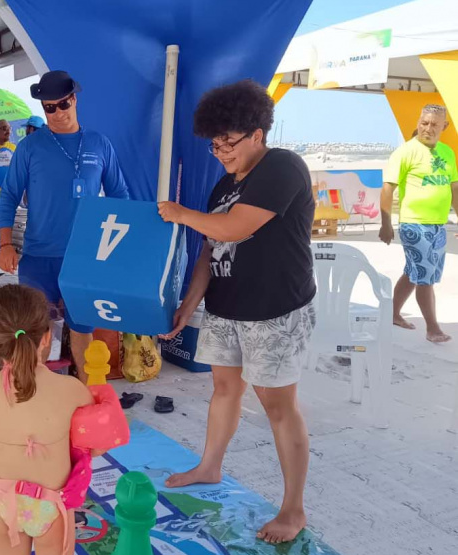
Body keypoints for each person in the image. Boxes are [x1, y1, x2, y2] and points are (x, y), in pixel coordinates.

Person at [157, 80, 316, 545]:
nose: (222, 151)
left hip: (275, 309)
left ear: (258, 133)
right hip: (226, 307)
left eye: (230, 142)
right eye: (215, 143)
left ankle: (293, 508)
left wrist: (179, 212)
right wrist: (189, 303)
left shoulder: (283, 167)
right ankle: (210, 466)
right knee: (224, 388)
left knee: (277, 404)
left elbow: (237, 225)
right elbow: (210, 248)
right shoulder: (224, 184)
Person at [0, 284, 129, 555]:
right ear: (46, 337)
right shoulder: (72, 391)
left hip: (6, 502)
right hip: (51, 505)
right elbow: (98, 446)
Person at [0, 70, 130, 383]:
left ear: (74, 100)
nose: (56, 112)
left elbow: (120, 197)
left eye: (62, 104)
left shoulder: (99, 143)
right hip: (39, 257)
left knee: (83, 331)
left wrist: (113, 249)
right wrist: (4, 244)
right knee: (33, 334)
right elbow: (8, 198)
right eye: (49, 108)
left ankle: (85, 398)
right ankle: (34, 397)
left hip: (84, 259)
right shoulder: (30, 147)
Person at [380, 104, 457, 343]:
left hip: (438, 225)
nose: (428, 128)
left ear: (444, 126)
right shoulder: (405, 152)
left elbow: (454, 188)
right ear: (418, 122)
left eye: (434, 124)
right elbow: (387, 188)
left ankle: (392, 313)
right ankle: (432, 328)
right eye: (424, 123)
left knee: (414, 272)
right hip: (414, 224)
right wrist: (386, 224)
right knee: (425, 276)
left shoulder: (448, 153)